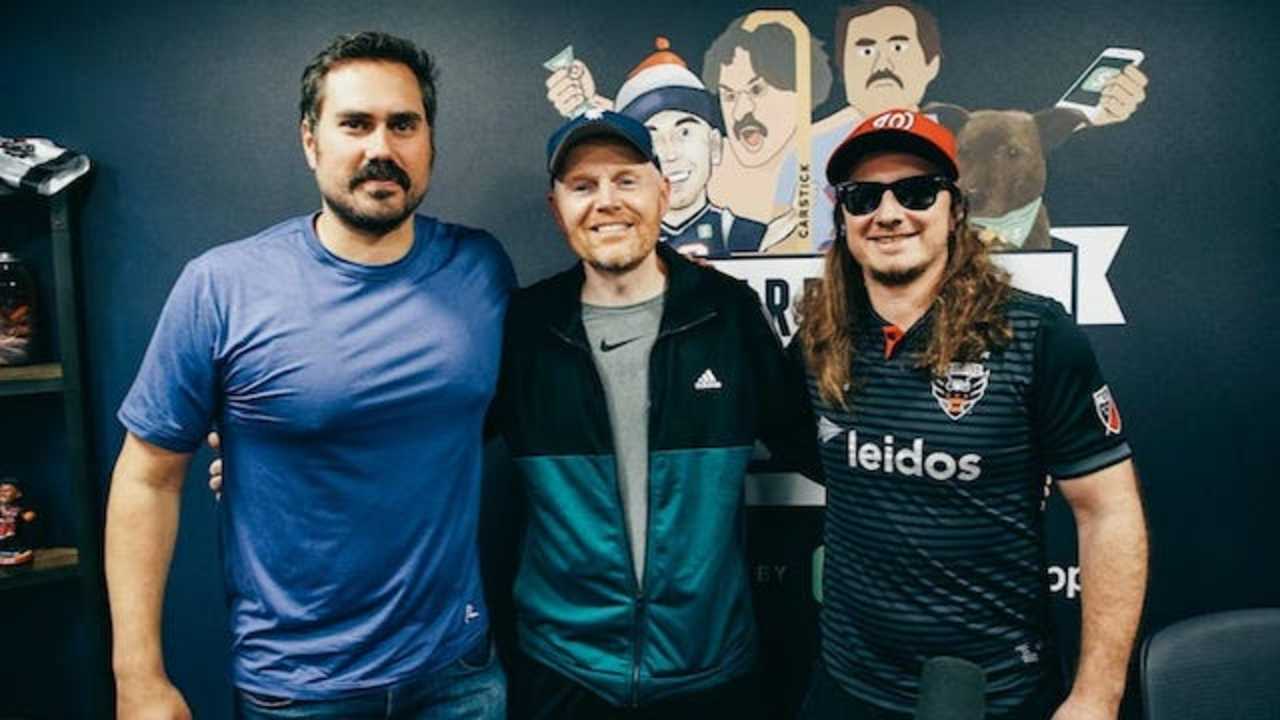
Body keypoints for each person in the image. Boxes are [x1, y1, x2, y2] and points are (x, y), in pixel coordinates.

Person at [105, 31, 513, 720]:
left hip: (459, 673)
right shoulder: (223, 287)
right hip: (298, 686)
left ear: (429, 142)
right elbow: (147, 478)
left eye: (403, 124)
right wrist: (136, 676)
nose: (381, 147)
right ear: (310, 140)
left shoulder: (480, 268)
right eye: (355, 124)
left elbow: (484, 416)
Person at [795, 108, 1147, 719]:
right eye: (863, 197)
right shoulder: (816, 338)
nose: (888, 213)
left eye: (916, 192)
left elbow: (1108, 510)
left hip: (994, 692)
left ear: (955, 210)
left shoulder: (1035, 334)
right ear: (844, 218)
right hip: (848, 684)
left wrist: (1097, 694)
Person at [496, 110, 816, 718]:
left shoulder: (726, 312)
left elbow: (813, 444)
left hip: (710, 670)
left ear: (663, 192)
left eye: (626, 180)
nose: (606, 202)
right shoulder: (524, 329)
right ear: (556, 208)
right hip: (564, 671)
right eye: (583, 185)